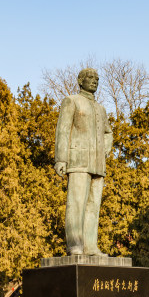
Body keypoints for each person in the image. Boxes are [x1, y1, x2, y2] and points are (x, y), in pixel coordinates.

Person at [54, 68, 113, 255]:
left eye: (97, 79)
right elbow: (62, 130)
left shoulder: (100, 108)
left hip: (97, 163)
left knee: (93, 206)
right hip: (77, 160)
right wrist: (61, 159)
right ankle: (75, 244)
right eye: (90, 78)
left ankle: (90, 245)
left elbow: (108, 132)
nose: (94, 81)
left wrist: (104, 151)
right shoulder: (72, 101)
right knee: (77, 203)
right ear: (80, 81)